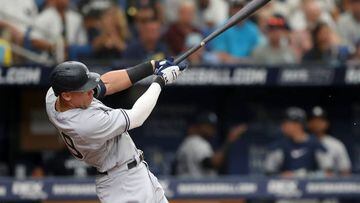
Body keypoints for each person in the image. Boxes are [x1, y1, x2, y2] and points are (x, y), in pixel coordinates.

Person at [45, 58, 187, 203]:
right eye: (84, 89)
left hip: (135, 173)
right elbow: (137, 117)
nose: (91, 92)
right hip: (122, 185)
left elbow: (105, 84)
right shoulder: (85, 124)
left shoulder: (54, 97)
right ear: (67, 95)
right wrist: (160, 80)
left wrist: (153, 66)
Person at [174, 112, 247, 177]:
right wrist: (230, 140)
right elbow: (214, 163)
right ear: (199, 126)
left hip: (188, 187)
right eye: (209, 126)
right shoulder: (196, 142)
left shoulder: (186, 143)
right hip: (197, 188)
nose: (213, 129)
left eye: (214, 126)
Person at [264, 107, 331, 177]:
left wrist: (302, 175)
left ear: (298, 125)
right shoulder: (278, 146)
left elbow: (328, 173)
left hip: (312, 185)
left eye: (286, 123)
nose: (283, 126)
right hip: (285, 186)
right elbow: (269, 173)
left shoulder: (315, 144)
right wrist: (281, 176)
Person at [308, 106, 352, 175]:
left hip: (330, 183)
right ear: (308, 123)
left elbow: (345, 171)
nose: (317, 123)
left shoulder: (336, 144)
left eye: (321, 120)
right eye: (314, 120)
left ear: (327, 123)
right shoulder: (301, 142)